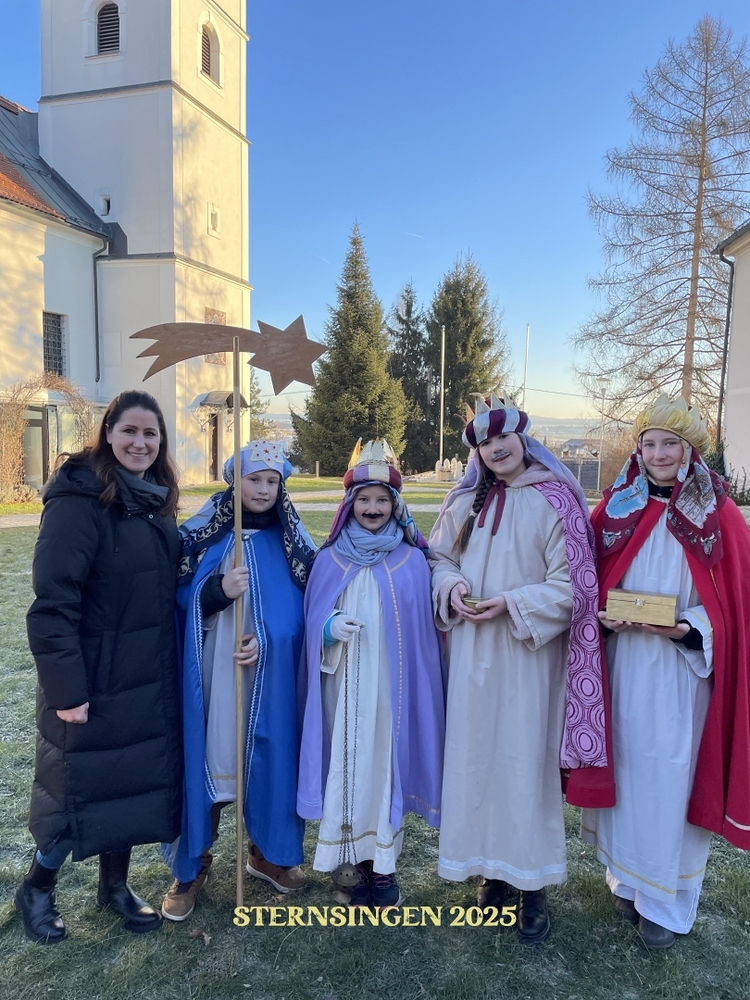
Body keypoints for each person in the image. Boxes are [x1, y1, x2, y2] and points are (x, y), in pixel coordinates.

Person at [429, 395, 607, 944]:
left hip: (529, 657)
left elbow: (575, 585)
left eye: (503, 437)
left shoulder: (556, 500)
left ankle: (532, 885)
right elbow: (438, 558)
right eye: (485, 442)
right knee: (477, 760)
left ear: (523, 439)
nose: (496, 448)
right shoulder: (465, 501)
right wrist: (451, 587)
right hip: (472, 656)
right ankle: (491, 873)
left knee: (524, 764)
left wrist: (511, 603)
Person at [581, 394, 750, 948]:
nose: (658, 454)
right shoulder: (616, 509)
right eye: (650, 443)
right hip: (625, 666)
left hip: (681, 677)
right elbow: (589, 578)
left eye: (670, 444)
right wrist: (602, 617)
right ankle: (628, 880)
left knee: (671, 775)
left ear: (689, 450)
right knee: (630, 769)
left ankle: (667, 903)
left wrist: (687, 629)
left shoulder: (719, 516)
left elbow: (735, 606)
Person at [17, 390, 183, 944]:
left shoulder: (153, 499)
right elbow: (52, 604)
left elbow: (162, 590)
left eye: (150, 433)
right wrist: (67, 690)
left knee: (127, 784)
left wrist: (214, 596)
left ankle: (114, 887)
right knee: (74, 789)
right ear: (107, 433)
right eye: (129, 430)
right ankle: (37, 887)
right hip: (91, 678)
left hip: (144, 676)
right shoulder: (79, 499)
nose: (140, 442)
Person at [161, 440, 315, 920]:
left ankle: (266, 854)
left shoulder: (291, 541)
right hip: (212, 672)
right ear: (235, 481)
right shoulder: (203, 534)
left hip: (268, 678)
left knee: (271, 759)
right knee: (207, 755)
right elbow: (177, 599)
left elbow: (306, 611)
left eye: (273, 481)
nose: (264, 490)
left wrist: (268, 642)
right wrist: (215, 593)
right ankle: (193, 864)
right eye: (254, 480)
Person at [297, 439, 445, 908]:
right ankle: (348, 863)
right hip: (342, 689)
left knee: (382, 768)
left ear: (396, 504)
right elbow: (311, 620)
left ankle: (382, 867)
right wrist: (328, 627)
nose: (373, 508)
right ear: (350, 504)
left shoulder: (411, 561)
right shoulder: (329, 559)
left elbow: (423, 635)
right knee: (347, 765)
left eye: (383, 499)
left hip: (389, 693)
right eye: (364, 499)